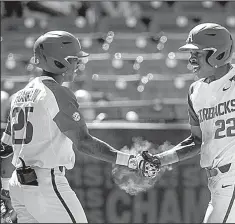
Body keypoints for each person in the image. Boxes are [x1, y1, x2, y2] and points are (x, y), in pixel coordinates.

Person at [0, 31, 160, 223]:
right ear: (58, 61)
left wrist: (5, 189)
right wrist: (131, 161)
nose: (78, 64)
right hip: (46, 184)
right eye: (74, 59)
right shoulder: (57, 92)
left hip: (19, 186)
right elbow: (84, 142)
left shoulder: (18, 96)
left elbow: (5, 150)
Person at [153, 23, 235, 223]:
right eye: (191, 53)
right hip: (220, 184)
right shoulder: (195, 91)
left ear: (218, 54)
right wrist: (160, 159)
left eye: (197, 53)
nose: (192, 59)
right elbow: (196, 141)